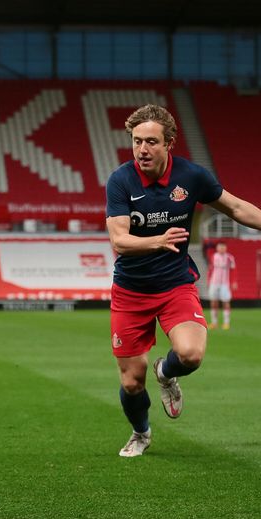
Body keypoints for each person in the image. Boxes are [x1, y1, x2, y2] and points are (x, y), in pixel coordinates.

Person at [106, 104, 261, 457]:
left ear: (169, 143)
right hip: (130, 292)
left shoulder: (192, 177)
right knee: (131, 382)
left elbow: (236, 208)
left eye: (150, 142)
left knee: (190, 355)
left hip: (175, 285)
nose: (142, 149)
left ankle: (166, 371)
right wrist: (157, 241)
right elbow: (119, 241)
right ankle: (141, 432)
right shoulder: (121, 180)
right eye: (136, 141)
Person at [206, 242, 236, 330]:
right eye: (220, 247)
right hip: (214, 283)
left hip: (224, 283)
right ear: (217, 248)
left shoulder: (229, 257)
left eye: (223, 247)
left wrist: (234, 281)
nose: (222, 249)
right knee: (213, 302)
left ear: (226, 248)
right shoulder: (213, 256)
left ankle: (226, 323)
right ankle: (214, 322)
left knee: (226, 302)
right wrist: (208, 281)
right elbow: (210, 269)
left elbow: (234, 270)